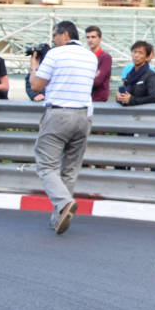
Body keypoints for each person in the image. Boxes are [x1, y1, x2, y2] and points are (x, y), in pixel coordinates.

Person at [28, 21, 97, 234]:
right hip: (84, 116)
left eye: (55, 36)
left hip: (59, 113)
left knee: (46, 165)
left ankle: (64, 202)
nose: (53, 40)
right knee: (70, 169)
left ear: (65, 35)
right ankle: (58, 218)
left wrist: (34, 66)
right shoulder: (91, 57)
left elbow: (36, 86)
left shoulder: (56, 55)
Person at [116, 40, 155, 105]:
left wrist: (132, 100)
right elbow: (125, 93)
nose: (136, 55)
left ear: (147, 57)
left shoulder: (150, 75)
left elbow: (154, 98)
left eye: (140, 53)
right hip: (128, 112)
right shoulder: (129, 74)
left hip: (142, 113)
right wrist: (119, 97)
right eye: (134, 52)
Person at [84, 26, 112, 102]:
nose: (90, 40)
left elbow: (97, 81)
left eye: (93, 37)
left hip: (98, 99)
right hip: (86, 98)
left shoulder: (105, 57)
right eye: (88, 37)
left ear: (100, 39)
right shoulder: (86, 57)